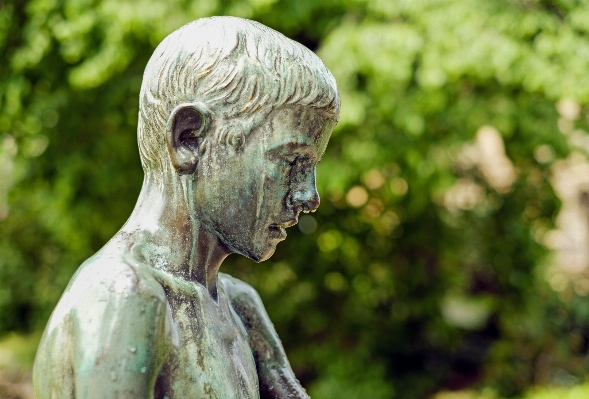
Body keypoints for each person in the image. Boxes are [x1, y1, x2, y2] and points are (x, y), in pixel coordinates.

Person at [33, 16, 339, 399]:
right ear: (189, 139)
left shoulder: (240, 306)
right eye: (291, 161)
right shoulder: (123, 296)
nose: (309, 196)